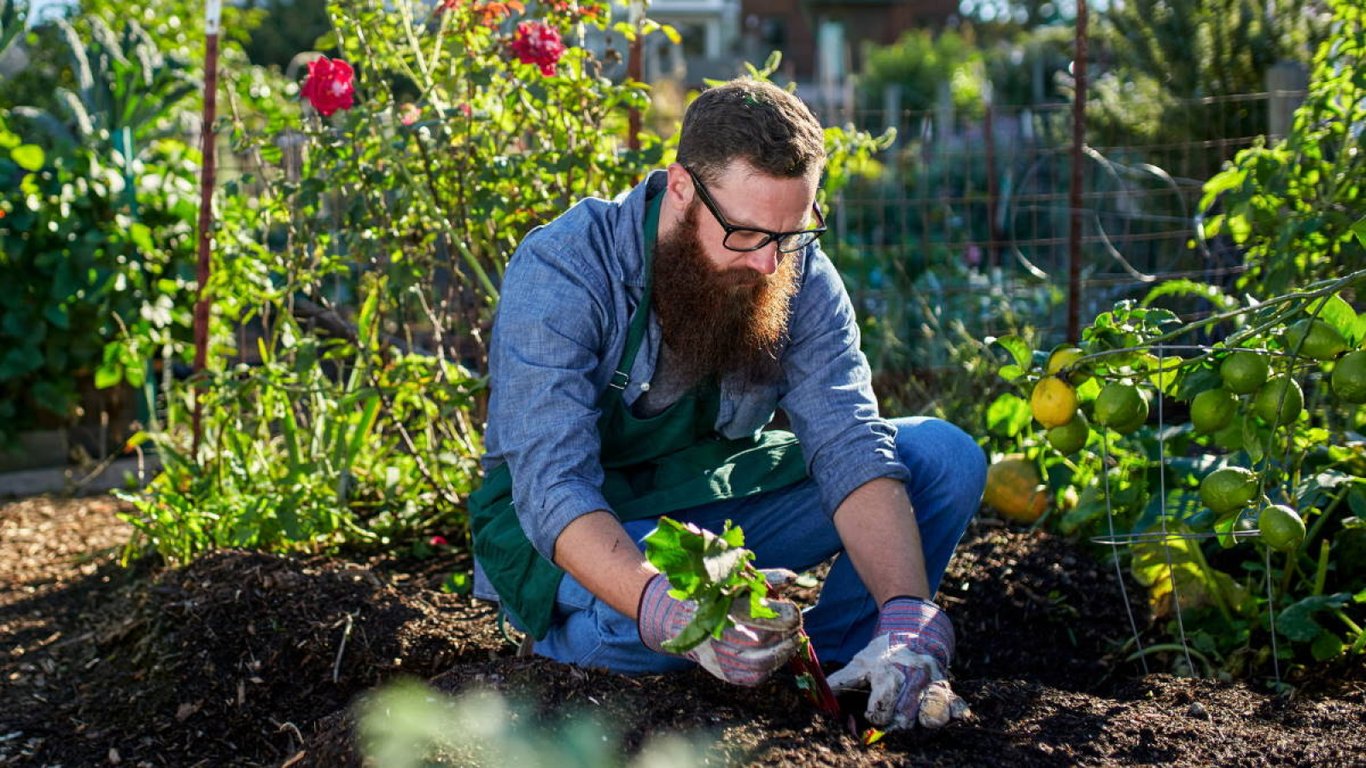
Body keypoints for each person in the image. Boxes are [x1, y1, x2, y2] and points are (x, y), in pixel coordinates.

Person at [468, 78, 986, 731]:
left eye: (791, 233)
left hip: (707, 500)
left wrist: (907, 612)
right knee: (649, 628)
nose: (771, 264)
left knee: (943, 458)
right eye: (745, 233)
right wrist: (663, 605)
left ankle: (845, 669)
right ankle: (565, 653)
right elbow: (552, 489)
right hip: (573, 526)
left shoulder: (794, 268)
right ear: (681, 188)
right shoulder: (567, 268)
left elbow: (849, 442)